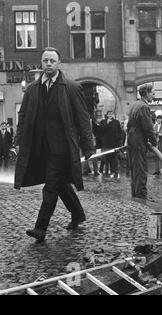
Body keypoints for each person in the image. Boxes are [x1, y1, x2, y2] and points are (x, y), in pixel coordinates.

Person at [14, 47, 94, 242]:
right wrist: (18, 141)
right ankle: (77, 214)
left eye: (52, 60)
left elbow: (83, 118)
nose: (48, 63)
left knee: (50, 185)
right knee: (60, 184)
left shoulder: (71, 88)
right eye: (45, 60)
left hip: (61, 148)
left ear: (59, 63)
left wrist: (88, 145)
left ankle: (40, 228)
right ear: (41, 63)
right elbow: (23, 116)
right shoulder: (32, 89)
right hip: (39, 148)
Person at [127, 84, 157, 199]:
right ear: (147, 93)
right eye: (153, 94)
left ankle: (136, 193)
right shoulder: (144, 107)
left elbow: (129, 126)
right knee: (141, 168)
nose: (153, 96)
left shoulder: (135, 104)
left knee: (135, 168)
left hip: (132, 139)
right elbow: (148, 127)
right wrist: (154, 141)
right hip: (139, 141)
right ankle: (141, 194)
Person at [99, 111, 123, 178]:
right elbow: (101, 131)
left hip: (114, 144)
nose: (110, 115)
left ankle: (114, 172)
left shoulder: (116, 122)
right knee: (105, 158)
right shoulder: (103, 122)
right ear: (107, 115)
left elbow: (120, 132)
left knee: (114, 159)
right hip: (105, 144)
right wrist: (107, 124)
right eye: (109, 114)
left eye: (111, 114)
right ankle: (104, 172)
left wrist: (119, 141)